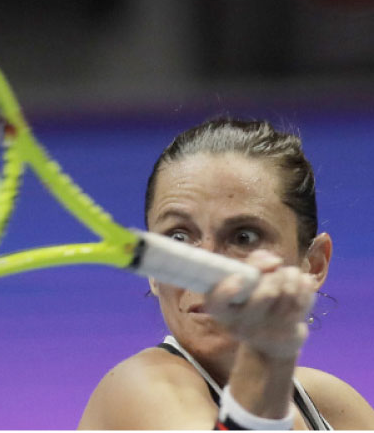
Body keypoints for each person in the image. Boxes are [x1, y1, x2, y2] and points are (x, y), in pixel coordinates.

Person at [78, 118, 374, 430]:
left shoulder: (334, 406)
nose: (204, 268)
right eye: (178, 238)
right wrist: (264, 356)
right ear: (155, 270)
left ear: (313, 265)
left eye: (244, 237)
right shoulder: (138, 389)